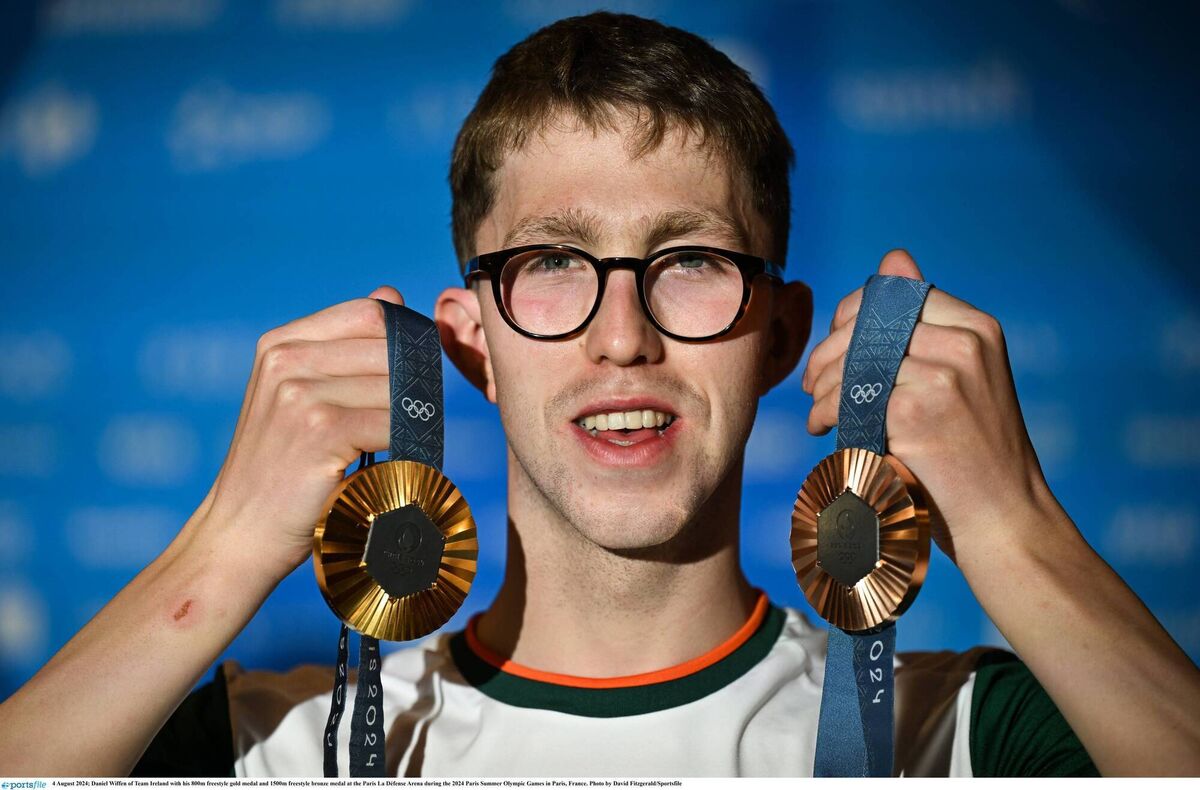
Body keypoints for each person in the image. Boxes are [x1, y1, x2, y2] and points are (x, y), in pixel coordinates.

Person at [1, 12, 1198, 778]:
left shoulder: (959, 739)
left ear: (779, 332)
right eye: (554, 265)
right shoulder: (279, 748)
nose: (621, 337)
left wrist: (1011, 523)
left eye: (690, 264)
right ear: (467, 343)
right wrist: (225, 545)